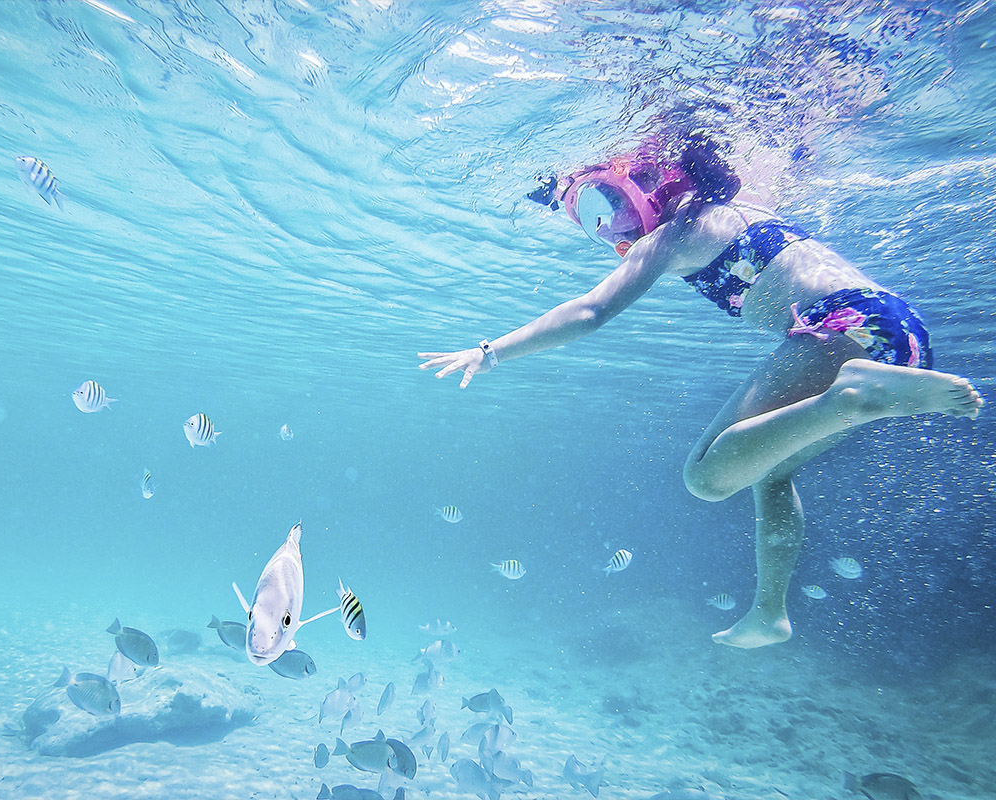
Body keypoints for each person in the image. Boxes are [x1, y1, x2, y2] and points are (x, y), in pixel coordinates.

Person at [417, 132, 984, 648]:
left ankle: (851, 397)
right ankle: (769, 612)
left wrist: (492, 352)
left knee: (707, 478)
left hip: (842, 329)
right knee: (771, 465)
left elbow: (591, 312)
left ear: (642, 187)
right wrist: (558, 193)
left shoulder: (668, 237)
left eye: (605, 206)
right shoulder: (734, 209)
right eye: (590, 221)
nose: (607, 230)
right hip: (897, 332)